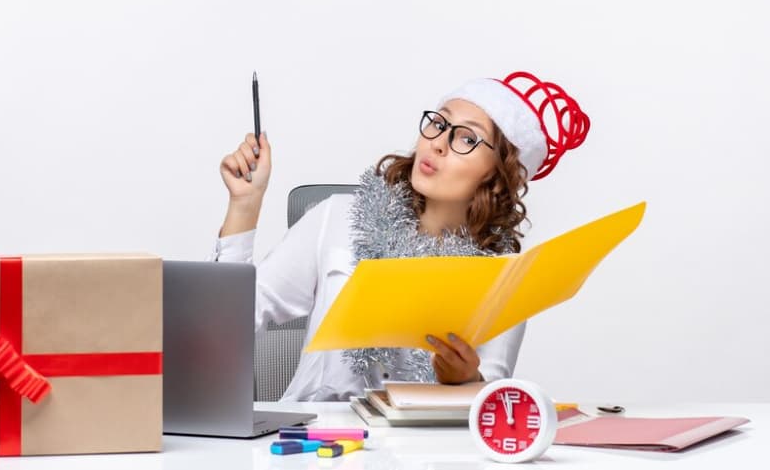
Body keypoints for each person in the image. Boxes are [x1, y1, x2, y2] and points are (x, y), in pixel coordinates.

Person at [210, 71, 590, 401]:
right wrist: (246, 203)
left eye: (466, 139)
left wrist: (467, 379)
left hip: (423, 450)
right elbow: (227, 320)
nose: (438, 142)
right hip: (315, 436)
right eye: (439, 123)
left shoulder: (502, 277)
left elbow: (491, 405)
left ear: (497, 175)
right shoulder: (340, 217)